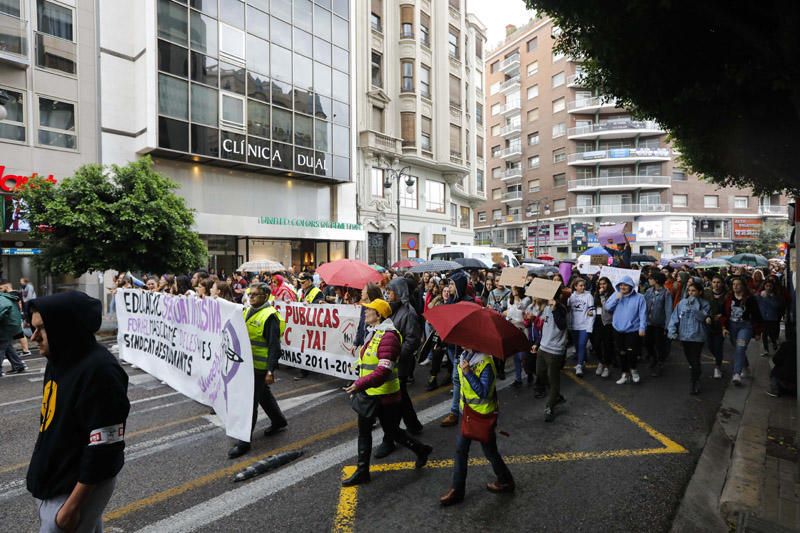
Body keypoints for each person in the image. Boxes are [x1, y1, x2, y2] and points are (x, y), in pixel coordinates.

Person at [26, 291, 130, 533]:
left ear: (66, 328)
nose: (33, 337)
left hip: (73, 488)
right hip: (56, 480)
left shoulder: (101, 371)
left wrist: (71, 507)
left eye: (42, 329)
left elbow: (104, 447)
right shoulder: (58, 357)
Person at [342, 299, 432, 486]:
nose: (365, 313)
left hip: (384, 395)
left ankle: (421, 449)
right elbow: (369, 362)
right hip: (369, 393)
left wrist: (360, 384)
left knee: (392, 431)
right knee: (364, 431)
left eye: (369, 310)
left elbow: (383, 370)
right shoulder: (373, 333)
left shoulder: (389, 336)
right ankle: (362, 471)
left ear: (379, 315)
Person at [439, 348, 514, 506]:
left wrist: (468, 373)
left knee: (490, 451)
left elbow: (484, 392)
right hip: (466, 414)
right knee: (461, 451)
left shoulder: (485, 362)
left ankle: (505, 480)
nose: (460, 343)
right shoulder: (465, 356)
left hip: (481, 416)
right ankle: (457, 490)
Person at [228, 284, 288, 458]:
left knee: (249, 402)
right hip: (247, 365)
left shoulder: (269, 317)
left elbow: (274, 346)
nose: (251, 297)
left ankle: (244, 442)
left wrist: (270, 370)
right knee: (263, 395)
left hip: (260, 368)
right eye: (250, 294)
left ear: (266, 296)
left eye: (256, 295)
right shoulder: (247, 311)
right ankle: (278, 421)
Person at [375, 278, 423, 458]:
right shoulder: (391, 310)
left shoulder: (408, 313)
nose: (388, 294)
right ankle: (413, 424)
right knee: (401, 395)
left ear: (400, 292)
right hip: (392, 363)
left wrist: (396, 354)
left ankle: (389, 439)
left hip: (399, 364)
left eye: (391, 291)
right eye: (387, 291)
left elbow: (413, 340)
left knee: (392, 402)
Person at [668, 282, 711, 395]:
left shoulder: (705, 304)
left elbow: (702, 317)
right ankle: (696, 372)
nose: (691, 293)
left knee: (695, 359)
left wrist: (694, 305)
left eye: (694, 291)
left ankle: (694, 381)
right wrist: (672, 331)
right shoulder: (682, 303)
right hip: (684, 336)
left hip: (698, 336)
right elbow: (675, 317)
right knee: (690, 359)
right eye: (689, 291)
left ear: (699, 292)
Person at [604, 276, 647, 385]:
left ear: (631, 286)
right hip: (618, 329)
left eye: (625, 285)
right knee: (621, 352)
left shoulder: (639, 297)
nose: (623, 287)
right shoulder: (616, 295)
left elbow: (643, 313)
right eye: (621, 285)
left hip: (633, 330)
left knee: (632, 352)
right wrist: (617, 298)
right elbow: (608, 308)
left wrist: (642, 327)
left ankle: (633, 369)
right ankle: (625, 373)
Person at [721, 277, 763, 386]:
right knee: (738, 349)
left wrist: (758, 332)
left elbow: (757, 315)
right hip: (732, 326)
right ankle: (745, 365)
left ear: (743, 286)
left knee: (740, 347)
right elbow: (724, 314)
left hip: (745, 327)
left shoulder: (750, 299)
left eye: (738, 284)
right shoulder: (728, 298)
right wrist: (724, 327)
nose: (735, 286)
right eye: (733, 284)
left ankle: (736, 374)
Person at [533, 294, 568, 421]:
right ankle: (556, 396)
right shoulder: (546, 307)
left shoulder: (561, 308)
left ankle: (550, 407)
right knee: (540, 373)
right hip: (543, 347)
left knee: (553, 380)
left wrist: (555, 309)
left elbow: (562, 326)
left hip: (555, 350)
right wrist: (537, 343)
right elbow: (543, 326)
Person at [643, 272, 673, 377]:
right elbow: (644, 306)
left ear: (656, 280)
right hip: (649, 323)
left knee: (659, 345)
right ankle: (654, 358)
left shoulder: (666, 293)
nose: (649, 280)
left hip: (660, 325)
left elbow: (668, 310)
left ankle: (660, 363)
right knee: (647, 343)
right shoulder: (648, 291)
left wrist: (667, 326)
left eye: (651, 278)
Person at [567, 278, 594, 377]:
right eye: (580, 285)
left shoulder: (588, 296)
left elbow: (592, 311)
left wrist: (590, 321)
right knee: (577, 346)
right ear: (575, 286)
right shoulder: (571, 297)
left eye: (584, 285)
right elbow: (568, 311)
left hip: (584, 325)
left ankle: (579, 366)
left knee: (582, 344)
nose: (583, 287)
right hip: (574, 326)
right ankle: (581, 360)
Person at [0, 279, 27, 375]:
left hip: (7, 326)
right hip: (12, 325)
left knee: (1, 346)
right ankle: (19, 365)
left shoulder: (3, 298)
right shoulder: (9, 297)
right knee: (7, 347)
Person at [506, 286, 531, 386]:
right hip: (513, 329)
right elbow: (509, 314)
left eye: (515, 288)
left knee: (523, 356)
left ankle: (529, 373)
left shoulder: (526, 299)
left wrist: (517, 297)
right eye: (512, 289)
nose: (513, 290)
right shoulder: (509, 300)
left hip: (523, 330)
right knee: (516, 356)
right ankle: (518, 379)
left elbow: (521, 307)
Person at [591, 277, 615, 378]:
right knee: (596, 344)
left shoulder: (613, 295)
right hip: (597, 321)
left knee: (607, 345)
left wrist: (602, 297)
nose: (602, 286)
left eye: (604, 284)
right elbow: (594, 306)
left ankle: (606, 366)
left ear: (608, 284)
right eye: (600, 284)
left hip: (607, 323)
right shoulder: (596, 294)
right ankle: (601, 361)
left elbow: (608, 308)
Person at [756, 279, 784, 358]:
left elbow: (776, 306)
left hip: (772, 318)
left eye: (770, 286)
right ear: (764, 286)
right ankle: (766, 349)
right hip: (763, 317)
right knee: (764, 334)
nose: (768, 288)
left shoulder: (775, 296)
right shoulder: (760, 295)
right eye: (767, 286)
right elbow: (756, 302)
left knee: (771, 333)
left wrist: (767, 297)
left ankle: (774, 343)